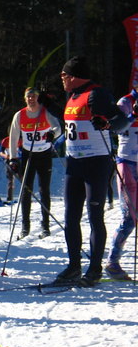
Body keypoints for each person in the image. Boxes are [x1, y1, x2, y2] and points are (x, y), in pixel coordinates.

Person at [57, 56, 128, 285]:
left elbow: (121, 121)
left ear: (74, 76)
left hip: (96, 162)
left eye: (64, 75)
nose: (61, 78)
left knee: (95, 216)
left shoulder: (96, 94)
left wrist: (107, 124)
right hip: (74, 163)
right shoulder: (72, 96)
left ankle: (95, 269)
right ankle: (73, 267)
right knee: (70, 217)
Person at [7, 87, 62, 239]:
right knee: (26, 191)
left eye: (34, 96)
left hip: (44, 154)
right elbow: (13, 137)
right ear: (25, 99)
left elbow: (58, 128)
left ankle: (45, 226)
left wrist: (52, 134)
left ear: (38, 97)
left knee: (44, 190)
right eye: (28, 97)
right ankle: (25, 226)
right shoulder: (20, 115)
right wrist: (13, 157)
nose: (31, 99)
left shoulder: (45, 112)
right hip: (28, 155)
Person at [105, 83, 138, 280]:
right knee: (129, 218)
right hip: (127, 163)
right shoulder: (125, 102)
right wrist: (133, 115)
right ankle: (113, 262)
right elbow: (115, 129)